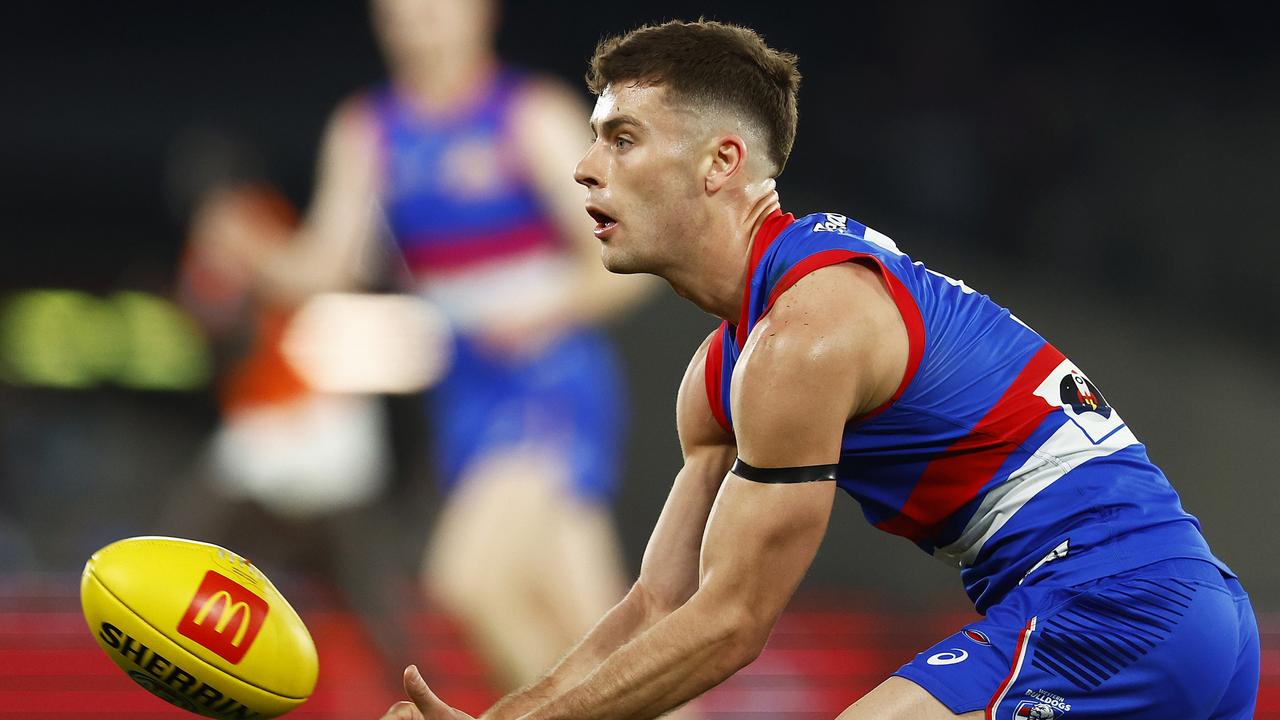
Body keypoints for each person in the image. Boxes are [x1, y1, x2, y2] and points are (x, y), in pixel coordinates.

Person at [381, 18, 1260, 720]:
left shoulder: (804, 334)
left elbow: (731, 627)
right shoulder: (725, 367)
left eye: (621, 138)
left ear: (721, 162)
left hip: (1113, 605)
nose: (583, 167)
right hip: (1170, 612)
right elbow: (660, 604)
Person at [219, 0, 653, 691]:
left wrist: (541, 313)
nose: (417, 23)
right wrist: (255, 250)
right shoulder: (369, 130)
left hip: (545, 384)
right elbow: (325, 269)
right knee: (604, 631)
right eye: (400, 11)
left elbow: (629, 253)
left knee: (468, 582)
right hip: (465, 402)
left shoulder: (529, 114)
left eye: (434, 8)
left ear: (481, 13)